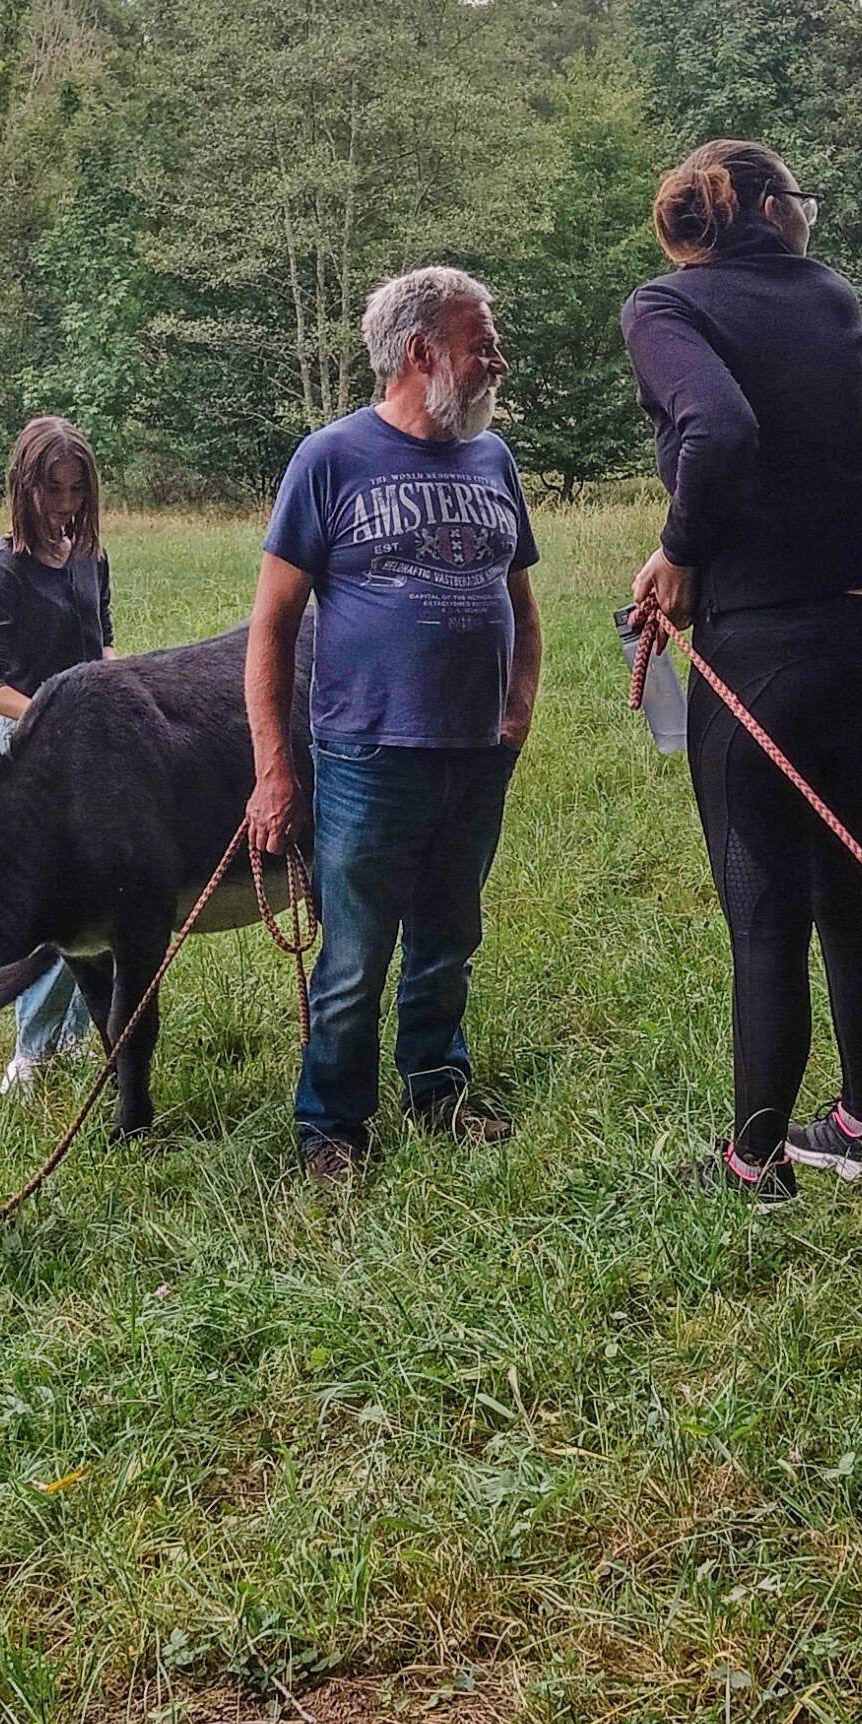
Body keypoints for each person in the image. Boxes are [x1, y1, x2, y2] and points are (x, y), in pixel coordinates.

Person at [622, 140, 862, 1207]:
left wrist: (681, 551)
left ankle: (754, 1164)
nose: (810, 215)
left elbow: (720, 425)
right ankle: (860, 1121)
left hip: (770, 651)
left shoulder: (663, 305)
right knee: (853, 891)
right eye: (801, 197)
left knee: (764, 914)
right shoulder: (832, 294)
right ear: (763, 205)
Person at [243, 268, 543, 1184]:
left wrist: (518, 712)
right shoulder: (329, 459)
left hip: (475, 753)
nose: (495, 359)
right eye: (478, 341)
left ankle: (437, 1092)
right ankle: (331, 1127)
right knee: (354, 958)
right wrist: (273, 766)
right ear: (421, 353)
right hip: (367, 753)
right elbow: (272, 623)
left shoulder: (495, 461)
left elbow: (522, 605)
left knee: (449, 941)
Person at [0, 416, 115, 1093]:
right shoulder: (3, 569)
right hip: (30, 743)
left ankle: (77, 1037)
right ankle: (29, 1052)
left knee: (105, 896)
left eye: (76, 490)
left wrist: (120, 684)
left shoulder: (89, 553)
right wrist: (54, 712)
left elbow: (102, 640)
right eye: (52, 490)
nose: (64, 506)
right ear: (24, 487)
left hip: (99, 738)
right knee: (54, 907)